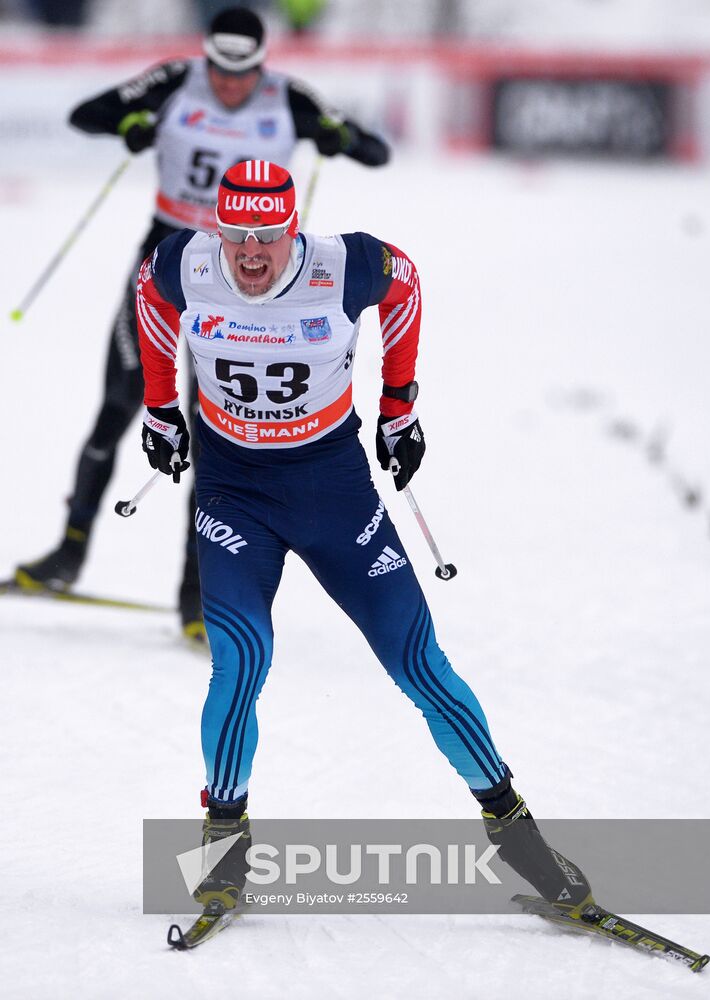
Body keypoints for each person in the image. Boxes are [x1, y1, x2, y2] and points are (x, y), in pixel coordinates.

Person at [136, 159, 593, 917]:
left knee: (417, 661)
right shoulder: (182, 262)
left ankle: (519, 840)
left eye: (269, 237)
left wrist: (399, 401)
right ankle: (223, 848)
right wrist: (159, 408)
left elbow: (404, 281)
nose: (251, 255)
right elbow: (149, 298)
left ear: (294, 228)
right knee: (242, 657)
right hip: (233, 493)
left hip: (333, 491)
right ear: (217, 227)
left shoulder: (343, 263)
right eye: (238, 237)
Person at [13, 5, 389, 643]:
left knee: (214, 427)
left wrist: (338, 138)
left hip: (246, 281)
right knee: (121, 401)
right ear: (206, 57)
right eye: (219, 69)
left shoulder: (288, 97)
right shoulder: (172, 81)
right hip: (169, 260)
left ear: (261, 65)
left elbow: (374, 149)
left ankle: (197, 595)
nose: (229, 85)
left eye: (243, 73)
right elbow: (88, 114)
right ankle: (68, 551)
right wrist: (131, 123)